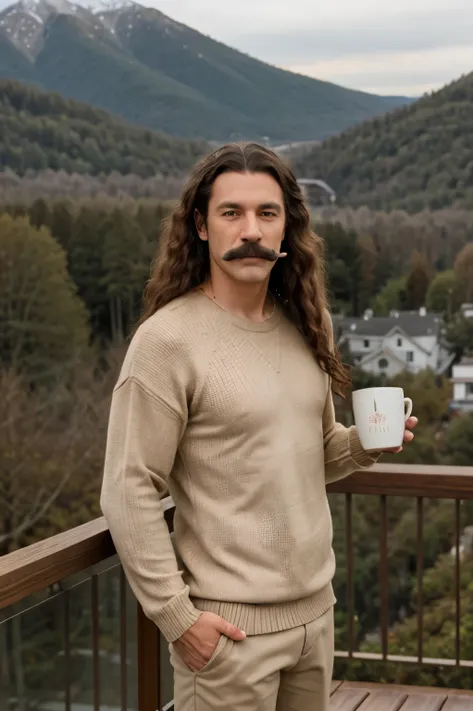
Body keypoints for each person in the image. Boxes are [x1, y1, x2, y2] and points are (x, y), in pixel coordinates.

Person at [100, 142, 417, 711]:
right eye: (232, 213)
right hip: (228, 638)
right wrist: (177, 619)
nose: (251, 229)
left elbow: (311, 453)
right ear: (200, 225)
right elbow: (127, 489)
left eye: (267, 213)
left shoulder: (305, 322)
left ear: (287, 228)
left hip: (315, 619)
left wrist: (365, 446)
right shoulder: (167, 342)